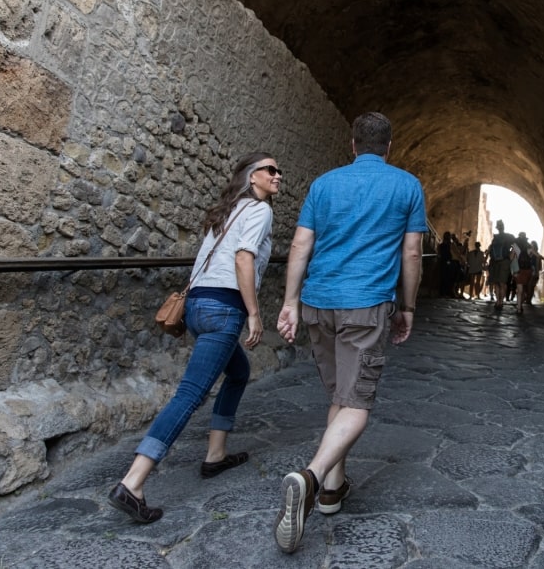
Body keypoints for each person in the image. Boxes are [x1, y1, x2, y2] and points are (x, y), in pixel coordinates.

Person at [274, 112, 427, 554]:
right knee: (358, 404)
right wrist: (409, 306)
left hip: (319, 302)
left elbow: (301, 244)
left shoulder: (323, 184)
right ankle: (312, 476)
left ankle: (332, 491)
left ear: (353, 144)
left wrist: (290, 301)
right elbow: (412, 251)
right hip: (366, 303)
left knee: (341, 397)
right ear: (390, 147)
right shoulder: (406, 185)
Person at [108, 152, 280, 523]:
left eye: (278, 170)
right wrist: (253, 313)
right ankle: (133, 482)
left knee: (237, 373)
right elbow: (243, 259)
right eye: (270, 169)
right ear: (252, 177)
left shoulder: (227, 212)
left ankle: (215, 455)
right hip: (224, 308)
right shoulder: (259, 211)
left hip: (199, 305)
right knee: (190, 394)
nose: (277, 175)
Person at [487, 220, 515, 311]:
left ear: (498, 228)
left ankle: (498, 302)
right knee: (502, 283)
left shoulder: (496, 237)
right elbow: (516, 246)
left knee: (497, 283)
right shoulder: (509, 237)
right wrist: (511, 255)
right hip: (504, 261)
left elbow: (490, 248)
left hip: (495, 262)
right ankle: (501, 302)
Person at [513, 232, 533, 314]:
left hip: (518, 269)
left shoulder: (515, 246)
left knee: (519, 290)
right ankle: (520, 305)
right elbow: (533, 256)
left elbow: (511, 257)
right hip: (527, 270)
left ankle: (518, 308)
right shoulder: (529, 246)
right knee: (524, 290)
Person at [526, 240, 544, 304]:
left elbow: (541, 257)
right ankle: (528, 299)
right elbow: (540, 257)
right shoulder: (530, 251)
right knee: (530, 286)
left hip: (534, 271)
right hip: (530, 271)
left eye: (533, 245)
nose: (532, 246)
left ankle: (529, 299)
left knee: (531, 286)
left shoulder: (535, 253)